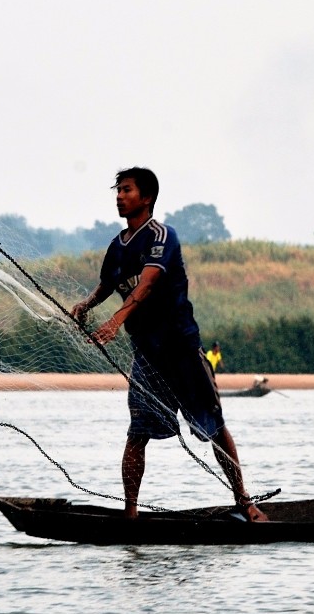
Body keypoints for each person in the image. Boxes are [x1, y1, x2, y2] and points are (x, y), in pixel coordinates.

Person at [68, 167, 268, 522]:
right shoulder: (117, 245)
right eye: (117, 191)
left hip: (181, 349)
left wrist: (115, 321)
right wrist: (86, 305)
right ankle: (130, 514)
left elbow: (147, 284)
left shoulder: (162, 236)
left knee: (213, 426)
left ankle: (245, 502)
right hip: (147, 355)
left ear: (146, 198)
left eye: (126, 190)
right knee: (137, 433)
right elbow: (106, 285)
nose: (119, 196)